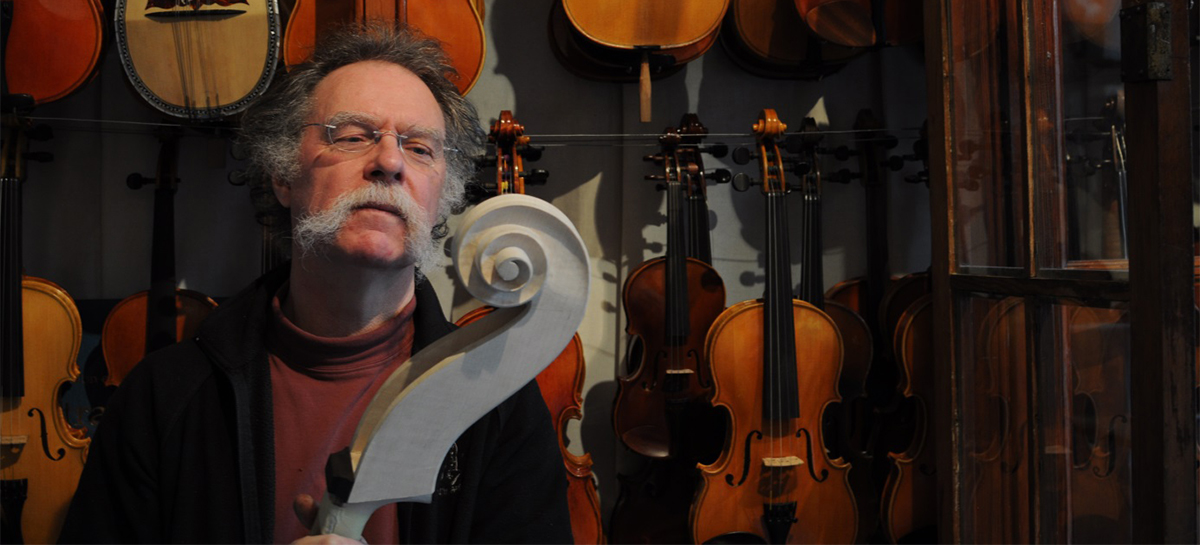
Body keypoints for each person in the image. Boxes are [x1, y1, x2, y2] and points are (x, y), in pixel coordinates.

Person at [59, 22, 573, 544]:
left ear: (443, 195)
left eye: (420, 148)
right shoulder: (162, 397)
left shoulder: (499, 406)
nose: (390, 162)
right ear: (283, 175)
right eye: (352, 136)